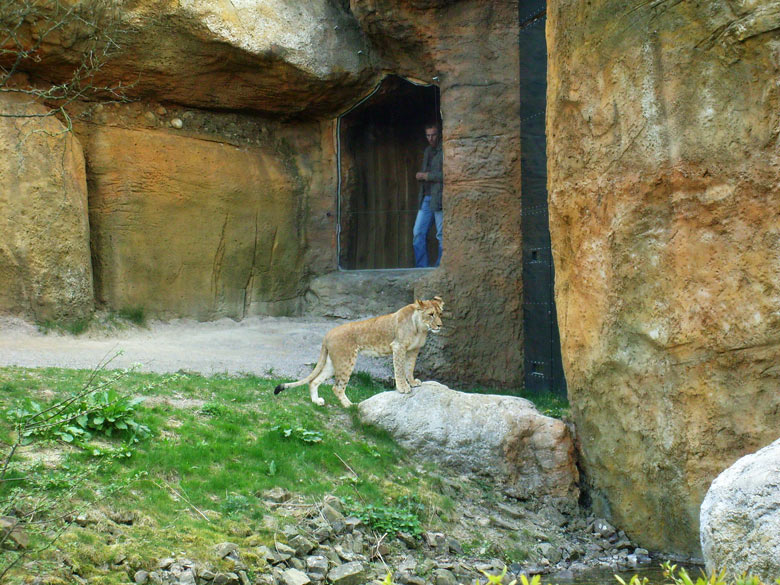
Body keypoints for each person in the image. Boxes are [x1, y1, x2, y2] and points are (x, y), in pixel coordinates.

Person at [413, 122, 443, 267]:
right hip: (426, 197)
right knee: (418, 232)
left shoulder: (445, 150)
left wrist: (426, 176)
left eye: (433, 135)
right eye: (428, 135)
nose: (431, 138)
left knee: (441, 235)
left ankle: (440, 268)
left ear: (439, 134)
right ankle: (421, 268)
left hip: (439, 198)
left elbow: (449, 174)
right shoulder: (427, 151)